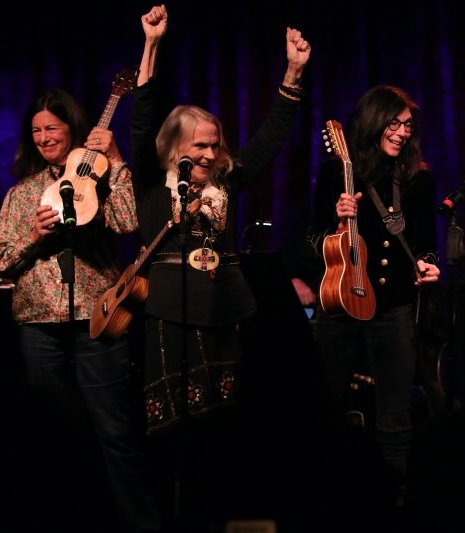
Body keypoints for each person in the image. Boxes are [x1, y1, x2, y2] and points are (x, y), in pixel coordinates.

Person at [131, 5, 310, 433]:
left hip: (222, 306)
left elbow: (268, 141)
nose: (211, 154)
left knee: (223, 421)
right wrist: (151, 45)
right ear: (175, 146)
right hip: (170, 311)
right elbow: (141, 121)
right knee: (174, 423)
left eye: (215, 145)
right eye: (200, 146)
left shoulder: (223, 183)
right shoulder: (153, 181)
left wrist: (293, 76)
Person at [0, 89, 161, 531]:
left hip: (95, 317)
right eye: (37, 130)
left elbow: (129, 224)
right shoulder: (22, 193)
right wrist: (33, 235)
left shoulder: (100, 181)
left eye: (53, 128)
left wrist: (118, 159)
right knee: (49, 430)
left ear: (72, 131)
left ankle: (139, 522)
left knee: (115, 430)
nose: (44, 137)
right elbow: (1, 259)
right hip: (37, 323)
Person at [307, 85, 441, 495]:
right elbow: (312, 240)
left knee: (395, 415)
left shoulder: (418, 178)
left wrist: (429, 264)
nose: (402, 133)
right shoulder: (337, 173)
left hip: (394, 306)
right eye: (394, 123)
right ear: (373, 122)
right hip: (340, 303)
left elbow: (424, 241)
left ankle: (395, 499)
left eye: (407, 126)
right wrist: (335, 221)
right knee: (326, 406)